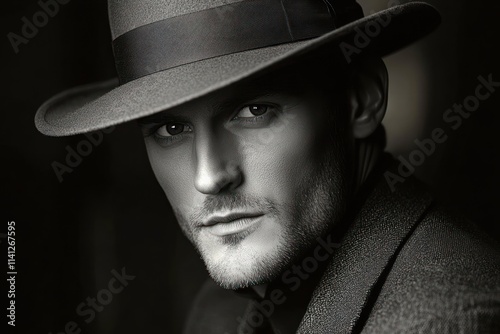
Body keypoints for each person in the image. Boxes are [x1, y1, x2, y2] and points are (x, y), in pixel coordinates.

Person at [35, 0, 500, 333]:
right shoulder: (225, 306)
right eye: (170, 130)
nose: (209, 176)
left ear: (361, 100)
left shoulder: (449, 318)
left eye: (254, 112)